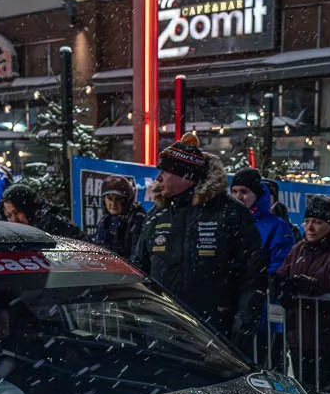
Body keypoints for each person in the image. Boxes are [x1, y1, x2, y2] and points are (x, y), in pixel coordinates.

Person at [132, 139, 265, 353]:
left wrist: (243, 321)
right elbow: (139, 267)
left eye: (164, 171)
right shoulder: (157, 214)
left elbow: (252, 273)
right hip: (164, 329)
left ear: (185, 175)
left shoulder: (229, 212)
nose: (158, 178)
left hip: (214, 332)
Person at [274, 194, 330, 394]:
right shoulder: (298, 249)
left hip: (328, 338)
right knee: (305, 393)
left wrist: (297, 284)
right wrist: (281, 285)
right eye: (307, 221)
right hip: (300, 336)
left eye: (317, 222)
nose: (309, 227)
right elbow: (281, 275)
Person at [228, 168, 301, 275]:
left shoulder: (277, 226)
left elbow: (280, 266)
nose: (238, 197)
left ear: (256, 194)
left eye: (244, 191)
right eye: (234, 191)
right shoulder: (228, 222)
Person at [1, 182, 82, 238]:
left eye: (16, 212)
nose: (13, 220)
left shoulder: (52, 223)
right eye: (8, 215)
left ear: (28, 208)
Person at [94, 176, 141, 259]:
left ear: (127, 201)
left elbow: (137, 257)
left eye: (119, 199)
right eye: (109, 198)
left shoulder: (137, 220)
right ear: (103, 200)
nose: (113, 204)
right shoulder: (105, 221)